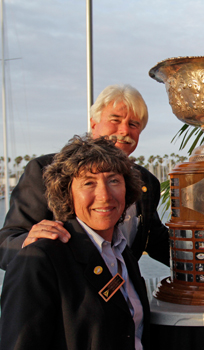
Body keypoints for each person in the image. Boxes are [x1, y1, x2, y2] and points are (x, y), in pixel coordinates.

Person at [0, 135, 150, 350]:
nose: (105, 195)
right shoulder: (39, 261)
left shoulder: (123, 253)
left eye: (114, 180)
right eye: (89, 183)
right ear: (66, 193)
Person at [0, 84, 169, 270]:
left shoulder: (146, 181)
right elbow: (6, 242)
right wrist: (29, 243)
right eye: (115, 120)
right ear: (94, 124)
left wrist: (203, 259)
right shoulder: (45, 170)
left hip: (124, 295)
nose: (124, 131)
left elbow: (155, 239)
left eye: (133, 124)